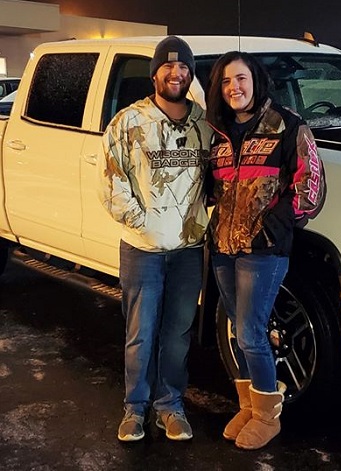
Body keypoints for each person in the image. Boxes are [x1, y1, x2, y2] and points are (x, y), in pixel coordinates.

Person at [206, 51, 326, 450]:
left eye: (240, 78)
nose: (233, 88)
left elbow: (311, 183)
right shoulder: (218, 132)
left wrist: (280, 221)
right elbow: (209, 186)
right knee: (238, 330)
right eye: (225, 82)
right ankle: (248, 404)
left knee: (253, 333)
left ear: (255, 80)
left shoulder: (286, 125)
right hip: (223, 245)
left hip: (264, 248)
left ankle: (267, 416)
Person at [98, 36, 213, 442]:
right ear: (155, 72)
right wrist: (144, 223)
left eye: (183, 67)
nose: (176, 73)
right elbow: (113, 182)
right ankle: (134, 408)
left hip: (188, 251)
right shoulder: (129, 122)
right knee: (141, 332)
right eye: (168, 66)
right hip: (142, 250)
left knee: (178, 332)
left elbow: (215, 181)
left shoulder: (204, 123)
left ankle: (170, 406)